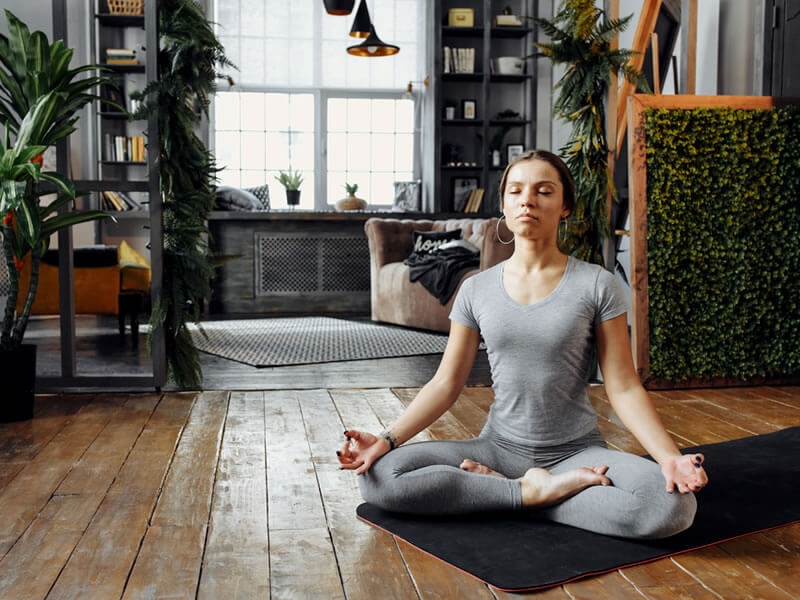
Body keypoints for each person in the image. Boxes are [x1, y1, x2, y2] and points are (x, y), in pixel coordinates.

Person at [338, 150, 708, 539]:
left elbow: (623, 385)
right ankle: (530, 493)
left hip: (577, 452)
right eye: (516, 191)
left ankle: (506, 493)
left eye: (543, 191)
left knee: (672, 507)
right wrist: (386, 439)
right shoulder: (476, 289)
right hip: (496, 448)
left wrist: (669, 458)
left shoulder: (596, 284)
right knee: (380, 476)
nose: (527, 200)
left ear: (564, 207)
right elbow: (446, 384)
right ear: (504, 204)